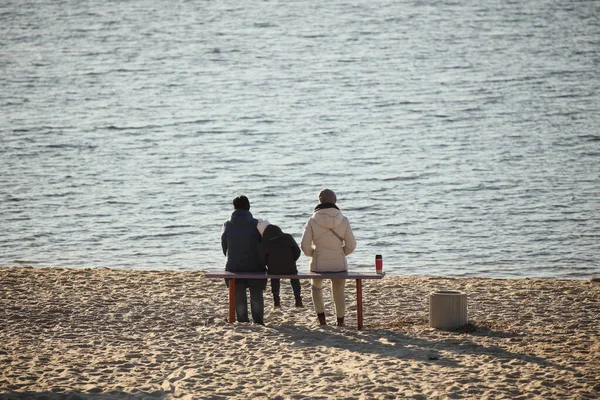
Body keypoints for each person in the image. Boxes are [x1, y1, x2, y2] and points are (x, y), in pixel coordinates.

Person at [300, 188, 356, 327]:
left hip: (319, 264)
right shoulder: (343, 220)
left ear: (320, 201)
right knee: (339, 290)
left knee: (316, 288)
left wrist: (314, 254)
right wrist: (340, 252)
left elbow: (304, 246)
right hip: (339, 264)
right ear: (335, 201)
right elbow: (352, 245)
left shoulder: (312, 221)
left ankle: (322, 320)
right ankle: (340, 321)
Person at [221, 195, 266, 324]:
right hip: (256, 266)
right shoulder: (257, 224)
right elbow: (263, 245)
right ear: (248, 207)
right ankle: (258, 321)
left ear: (234, 207)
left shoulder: (227, 224)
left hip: (234, 267)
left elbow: (224, 247)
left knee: (239, 293)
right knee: (256, 294)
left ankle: (242, 321)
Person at [256, 219, 303, 309]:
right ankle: (298, 300)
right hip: (290, 267)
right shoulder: (288, 237)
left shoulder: (264, 243)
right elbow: (297, 251)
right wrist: (292, 260)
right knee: (294, 276)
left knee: (274, 277)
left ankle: (276, 302)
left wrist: (269, 264)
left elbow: (262, 260)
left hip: (274, 269)